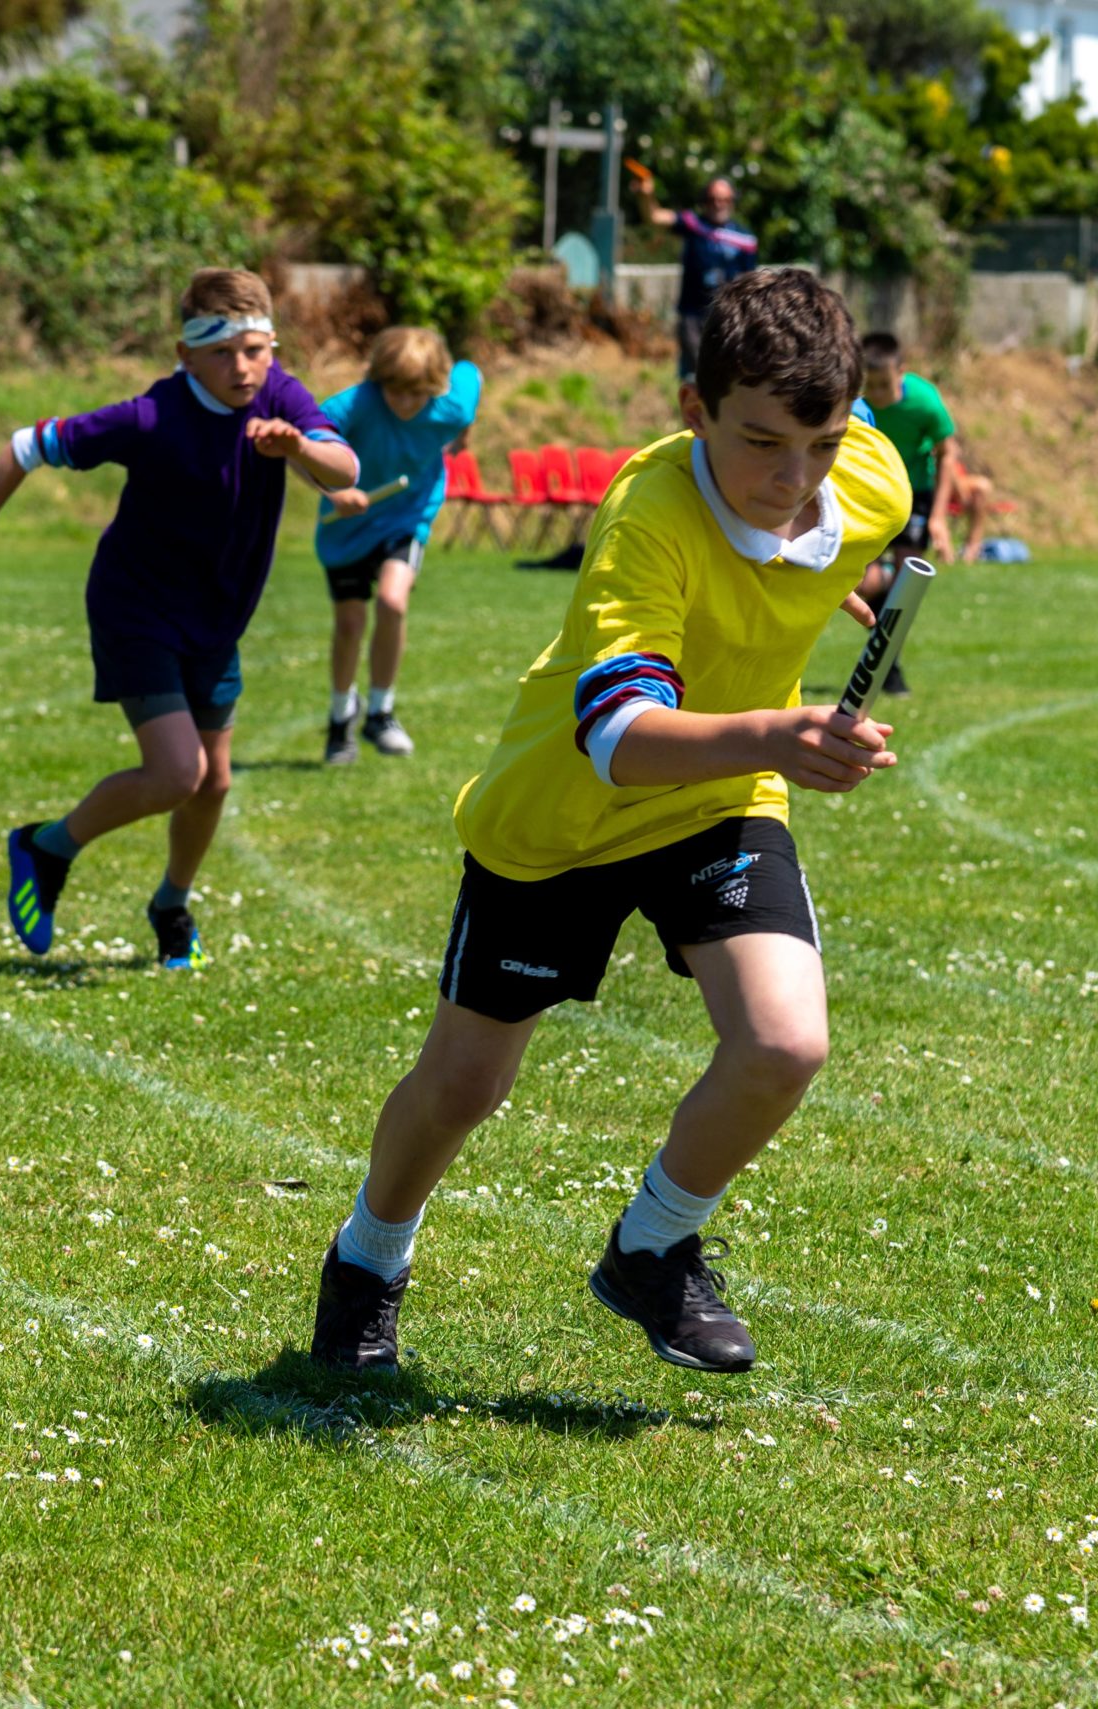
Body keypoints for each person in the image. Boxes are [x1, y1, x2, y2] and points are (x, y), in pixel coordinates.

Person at [305, 269, 911, 1377]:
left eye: (820, 445)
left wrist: (820, 574)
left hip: (719, 800)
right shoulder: (648, 517)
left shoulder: (868, 476)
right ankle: (366, 1258)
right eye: (762, 443)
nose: (794, 478)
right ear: (694, 409)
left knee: (785, 1042)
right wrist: (779, 731)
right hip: (565, 817)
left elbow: (828, 487)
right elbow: (619, 734)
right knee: (464, 1085)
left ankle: (653, 1246)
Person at [0, 268, 357, 972]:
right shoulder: (149, 417)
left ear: (272, 347)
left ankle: (170, 906)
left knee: (214, 782)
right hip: (137, 608)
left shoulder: (280, 395)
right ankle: (46, 846)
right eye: (222, 353)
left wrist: (299, 449)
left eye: (255, 350)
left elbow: (344, 467)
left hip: (217, 617)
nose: (242, 368)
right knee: (178, 772)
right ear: (185, 355)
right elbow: (24, 447)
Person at [313, 326, 482, 764]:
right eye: (395, 392)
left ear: (434, 386)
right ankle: (340, 717)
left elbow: (471, 373)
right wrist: (333, 492)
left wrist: (464, 434)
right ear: (378, 381)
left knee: (392, 601)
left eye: (416, 394)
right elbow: (301, 444)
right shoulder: (355, 405)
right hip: (346, 527)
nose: (405, 403)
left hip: (407, 516)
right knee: (350, 624)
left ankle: (380, 712)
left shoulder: (453, 404)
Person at [854, 331, 959, 696]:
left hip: (916, 496)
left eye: (884, 384)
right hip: (872, 495)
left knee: (907, 588)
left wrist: (938, 518)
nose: (877, 394)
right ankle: (884, 580)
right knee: (864, 585)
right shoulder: (855, 404)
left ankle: (889, 668)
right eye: (870, 385)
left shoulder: (925, 401)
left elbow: (948, 452)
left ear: (902, 370)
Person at [637, 175, 759, 380]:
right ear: (704, 201)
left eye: (724, 199)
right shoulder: (694, 225)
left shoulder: (745, 239)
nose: (718, 204)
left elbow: (751, 282)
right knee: (695, 376)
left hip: (728, 317)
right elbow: (655, 217)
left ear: (732, 201)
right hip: (693, 315)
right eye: (713, 199)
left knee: (725, 377)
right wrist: (646, 195)